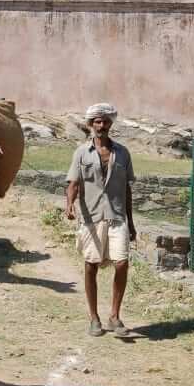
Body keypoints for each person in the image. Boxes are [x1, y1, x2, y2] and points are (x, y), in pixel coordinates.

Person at [66, 103, 136, 337]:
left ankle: (115, 316)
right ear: (90, 125)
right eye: (97, 121)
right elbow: (73, 183)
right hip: (91, 217)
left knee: (122, 263)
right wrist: (69, 205)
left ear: (110, 124)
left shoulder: (123, 153)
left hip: (117, 216)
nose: (101, 126)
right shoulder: (81, 153)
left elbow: (127, 189)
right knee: (91, 265)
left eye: (105, 122)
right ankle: (94, 317)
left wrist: (132, 223)